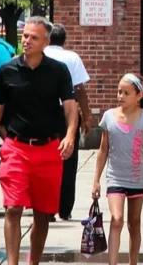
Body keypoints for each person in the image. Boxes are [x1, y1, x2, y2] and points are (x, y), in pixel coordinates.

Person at [0, 18, 79, 265]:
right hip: (16, 148)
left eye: (33, 37)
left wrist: (71, 134)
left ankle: (34, 261)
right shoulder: (8, 70)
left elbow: (70, 107)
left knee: (43, 214)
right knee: (12, 208)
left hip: (49, 149)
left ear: (46, 42)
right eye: (25, 36)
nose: (27, 40)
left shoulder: (58, 71)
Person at [92, 74, 143, 265]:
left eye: (126, 93)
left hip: (137, 178)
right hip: (115, 177)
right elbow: (103, 150)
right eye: (119, 92)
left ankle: (133, 262)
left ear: (139, 95)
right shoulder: (109, 117)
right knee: (117, 219)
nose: (120, 96)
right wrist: (96, 180)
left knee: (134, 223)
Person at [44, 20, 92, 222]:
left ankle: (46, 207)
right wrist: (87, 115)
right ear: (64, 39)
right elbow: (79, 89)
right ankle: (64, 208)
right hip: (67, 112)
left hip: (43, 112)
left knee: (45, 159)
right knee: (68, 160)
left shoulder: (41, 55)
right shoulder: (72, 57)